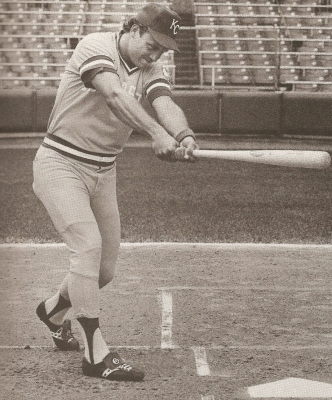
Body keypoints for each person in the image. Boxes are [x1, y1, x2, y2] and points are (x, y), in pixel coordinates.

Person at [33, 2, 198, 382]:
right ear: (134, 28)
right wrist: (156, 134)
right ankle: (96, 354)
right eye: (152, 44)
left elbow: (165, 103)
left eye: (163, 49)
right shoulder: (95, 47)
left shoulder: (150, 68)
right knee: (87, 249)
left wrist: (183, 135)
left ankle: (53, 311)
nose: (155, 54)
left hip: (103, 172)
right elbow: (114, 96)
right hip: (61, 163)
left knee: (103, 271)